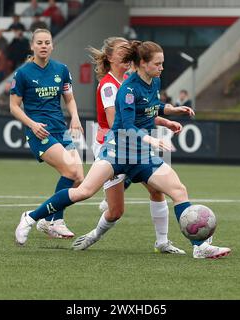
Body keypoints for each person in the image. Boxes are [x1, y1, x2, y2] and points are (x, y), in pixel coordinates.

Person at [15, 40, 231, 259]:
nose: (162, 67)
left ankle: (199, 246)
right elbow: (127, 125)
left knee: (178, 190)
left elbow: (150, 105)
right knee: (84, 191)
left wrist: (170, 113)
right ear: (143, 63)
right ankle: (31, 218)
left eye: (162, 63)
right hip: (117, 152)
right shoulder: (126, 89)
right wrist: (152, 140)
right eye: (158, 63)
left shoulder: (153, 82)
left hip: (142, 155)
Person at [74, 36, 186, 254]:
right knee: (112, 208)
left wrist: (166, 117)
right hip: (115, 145)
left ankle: (162, 241)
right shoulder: (111, 85)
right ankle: (43, 218)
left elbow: (146, 110)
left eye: (128, 50)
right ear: (110, 57)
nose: (126, 54)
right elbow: (122, 122)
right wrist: (151, 135)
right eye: (122, 50)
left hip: (137, 143)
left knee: (157, 189)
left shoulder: (134, 80)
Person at [10, 28, 84, 238]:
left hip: (61, 129)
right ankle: (52, 220)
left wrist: (75, 118)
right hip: (40, 132)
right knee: (70, 172)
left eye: (47, 42)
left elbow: (69, 98)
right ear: (32, 46)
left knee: (79, 179)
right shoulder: (23, 73)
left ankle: (46, 220)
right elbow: (14, 107)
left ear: (52, 46)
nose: (43, 46)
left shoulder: (61, 69)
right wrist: (32, 125)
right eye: (39, 43)